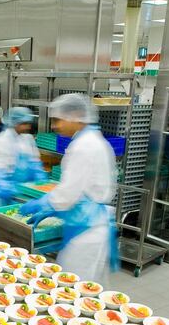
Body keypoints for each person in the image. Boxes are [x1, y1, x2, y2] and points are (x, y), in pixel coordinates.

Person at [19, 94, 118, 284]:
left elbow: (68, 193)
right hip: (89, 222)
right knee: (85, 284)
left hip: (87, 229)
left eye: (58, 120)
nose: (55, 126)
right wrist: (52, 205)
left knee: (74, 286)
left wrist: (44, 203)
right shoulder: (93, 140)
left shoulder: (84, 146)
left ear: (77, 115)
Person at [0, 107, 47, 208]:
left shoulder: (28, 139)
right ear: (15, 123)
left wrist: (39, 176)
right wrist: (6, 186)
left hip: (27, 192)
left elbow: (35, 162)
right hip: (7, 196)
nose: (28, 127)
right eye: (24, 124)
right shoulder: (1, 141)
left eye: (28, 123)